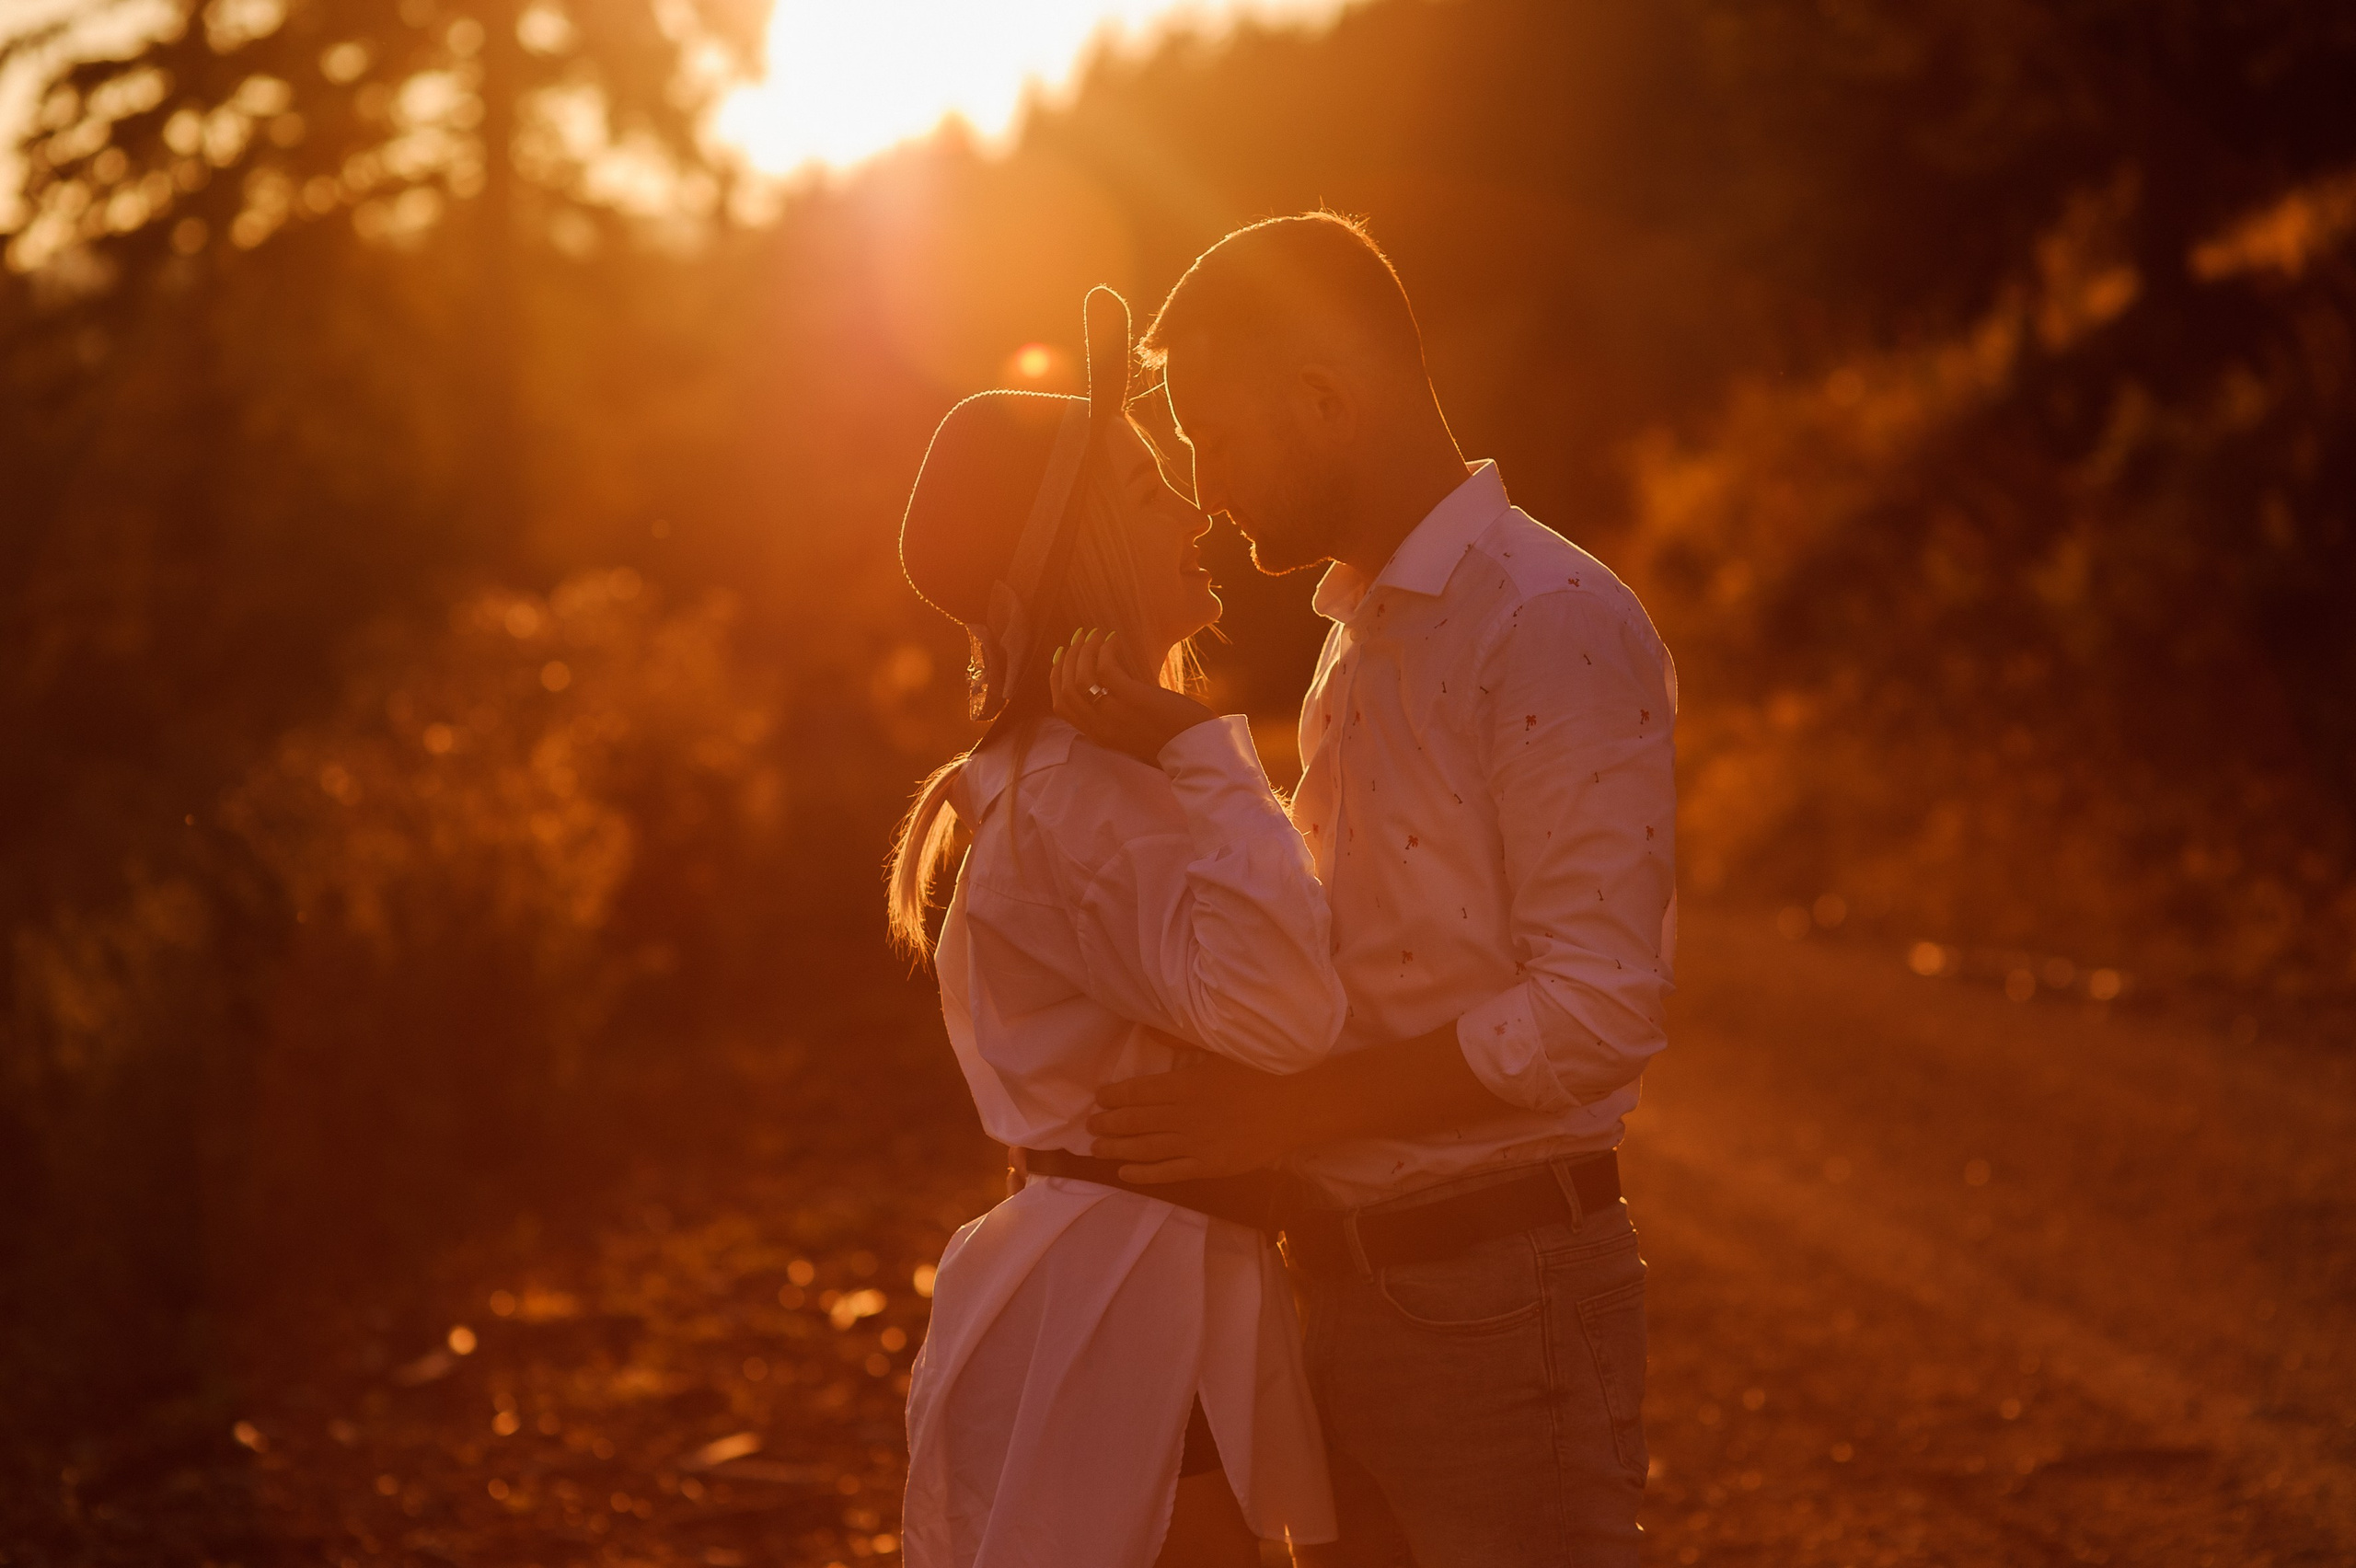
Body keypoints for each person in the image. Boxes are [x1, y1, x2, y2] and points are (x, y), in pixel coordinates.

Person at [1067, 213, 1680, 1567]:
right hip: (1350, 1286)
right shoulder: (1362, 634)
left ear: (1325, 401)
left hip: (1501, 1301)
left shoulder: (1547, 619)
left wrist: (1285, 1115)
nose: (1204, 490)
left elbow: (1596, 1009)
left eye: (1214, 438)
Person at [889, 287, 1344, 1567]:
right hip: (1132, 1303)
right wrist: (1210, 753)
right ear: (1081, 545)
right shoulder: (1082, 792)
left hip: (1133, 1280)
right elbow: (1285, 1013)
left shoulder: (1067, 774)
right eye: (1149, 493)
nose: (1194, 512)